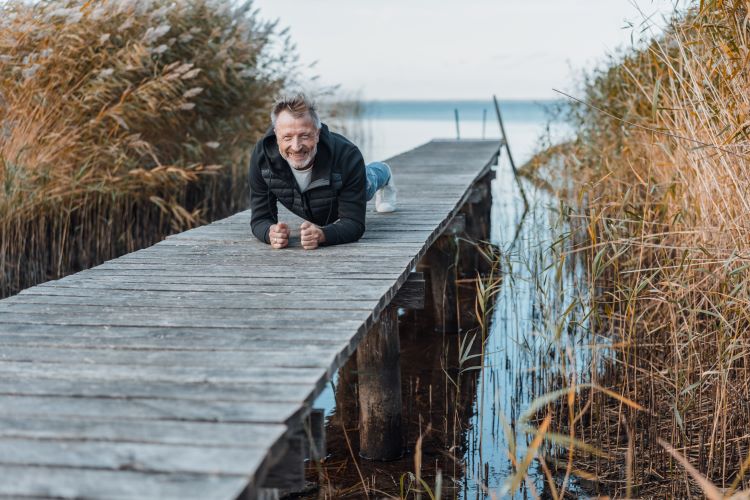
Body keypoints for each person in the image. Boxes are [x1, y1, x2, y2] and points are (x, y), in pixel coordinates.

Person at [248, 93, 397, 250]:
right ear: (277, 136)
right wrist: (270, 232)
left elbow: (354, 224)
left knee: (368, 182)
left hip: (348, 185)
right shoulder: (262, 157)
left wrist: (323, 235)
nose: (296, 146)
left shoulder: (348, 156)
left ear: (317, 134)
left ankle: (384, 171)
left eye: (304, 136)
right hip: (313, 203)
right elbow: (261, 219)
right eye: (287, 137)